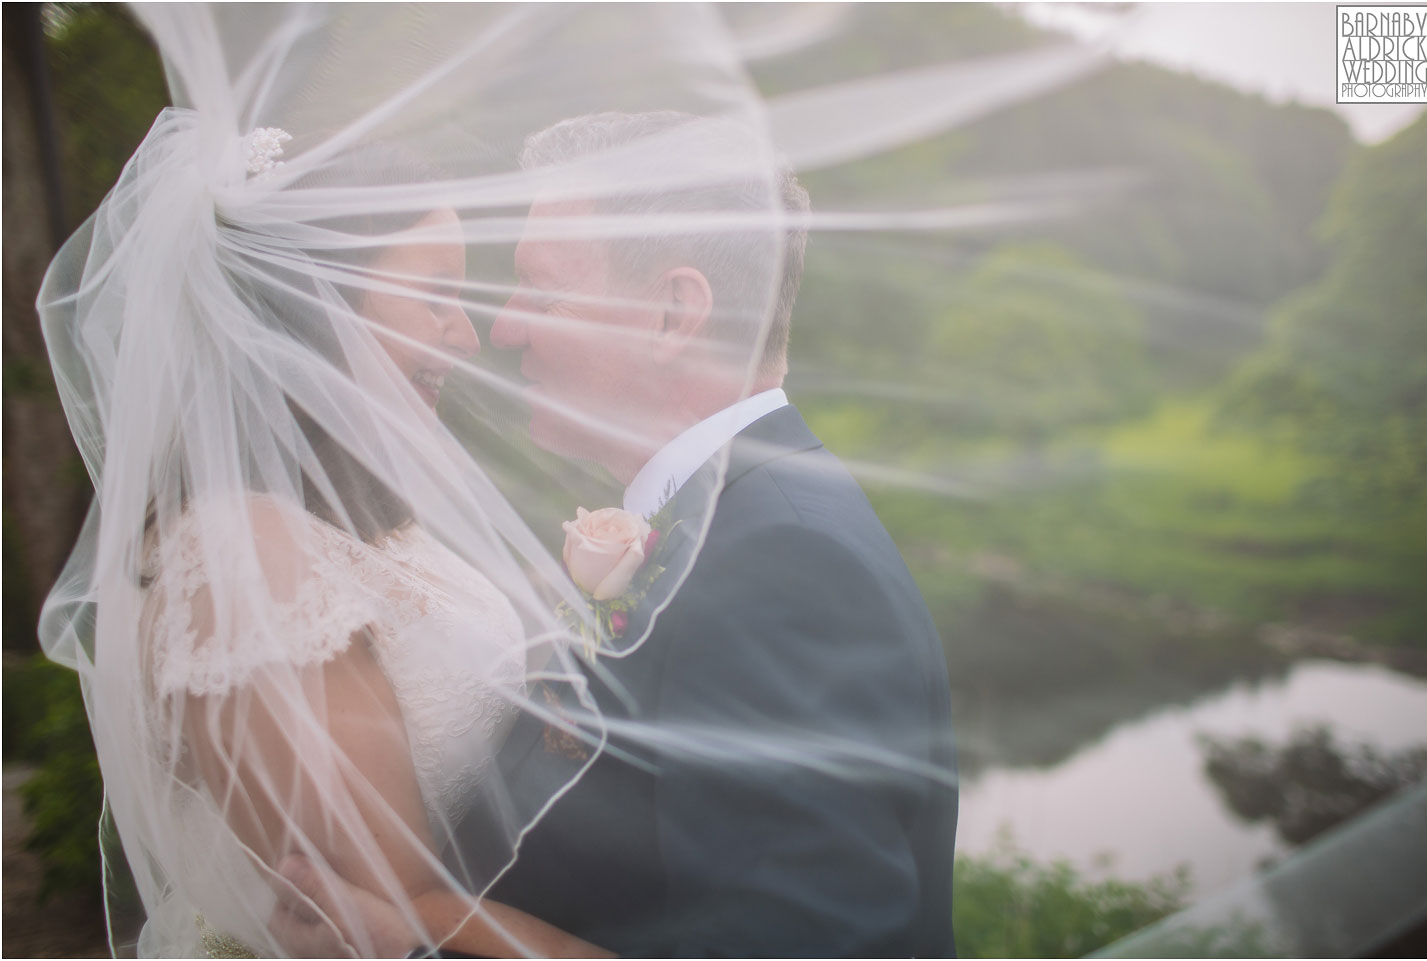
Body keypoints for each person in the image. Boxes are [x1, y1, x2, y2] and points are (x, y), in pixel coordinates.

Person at [273, 111, 959, 958]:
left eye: (542, 289)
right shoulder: (710, 525)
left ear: (673, 313)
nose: (505, 325)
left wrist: (436, 929)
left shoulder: (787, 561)